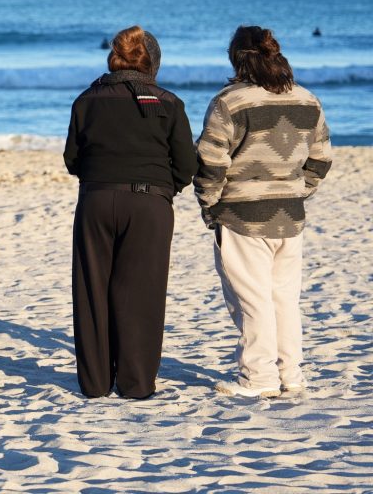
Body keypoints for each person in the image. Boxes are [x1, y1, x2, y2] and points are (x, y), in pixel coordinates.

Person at [195, 25, 332, 398]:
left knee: (252, 300)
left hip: (241, 215)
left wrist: (209, 204)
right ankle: (291, 376)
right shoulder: (307, 100)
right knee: (284, 299)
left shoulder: (230, 102)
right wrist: (297, 192)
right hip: (290, 215)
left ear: (236, 58)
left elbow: (210, 160)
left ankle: (259, 379)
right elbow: (321, 158)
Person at [63, 25, 196, 399]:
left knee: (93, 291)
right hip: (149, 204)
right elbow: (186, 163)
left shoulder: (86, 100)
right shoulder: (168, 102)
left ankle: (94, 383)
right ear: (152, 62)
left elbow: (72, 159)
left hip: (97, 200)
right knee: (143, 294)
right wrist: (163, 190)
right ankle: (136, 384)